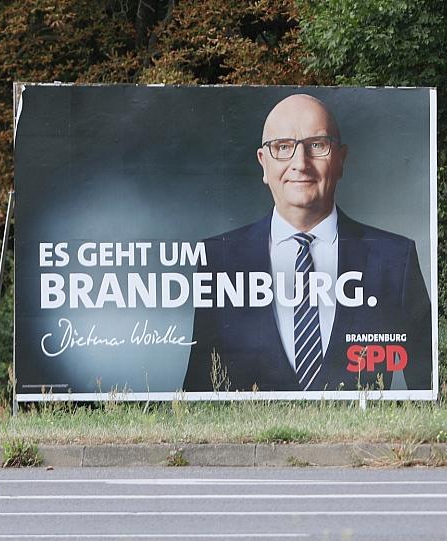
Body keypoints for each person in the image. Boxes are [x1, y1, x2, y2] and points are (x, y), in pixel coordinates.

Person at [183, 94, 433, 392]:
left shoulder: (395, 258)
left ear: (340, 159)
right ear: (263, 164)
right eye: (283, 147)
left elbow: (429, 390)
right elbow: (199, 393)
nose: (300, 163)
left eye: (317, 145)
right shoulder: (219, 257)